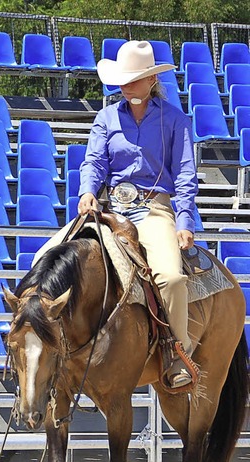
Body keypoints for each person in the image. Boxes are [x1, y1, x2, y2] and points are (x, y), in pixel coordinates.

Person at [78, 40, 198, 389]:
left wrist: (185, 220)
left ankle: (178, 351)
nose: (125, 86)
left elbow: (187, 174)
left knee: (172, 279)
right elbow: (95, 162)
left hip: (155, 208)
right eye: (122, 80)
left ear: (151, 81)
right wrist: (88, 192)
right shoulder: (106, 117)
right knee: (62, 259)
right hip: (111, 209)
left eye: (133, 79)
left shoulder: (175, 120)